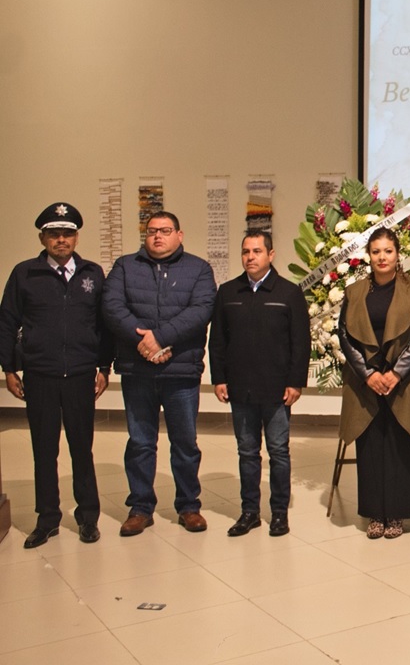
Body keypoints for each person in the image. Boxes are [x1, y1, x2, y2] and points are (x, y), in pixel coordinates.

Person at [0, 203, 113, 548]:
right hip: (41, 375)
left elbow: (105, 326)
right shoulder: (25, 273)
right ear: (43, 237)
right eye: (54, 234)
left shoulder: (92, 274)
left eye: (67, 233)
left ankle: (88, 517)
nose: (61, 240)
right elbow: (7, 322)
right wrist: (8, 368)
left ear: (76, 237)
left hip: (80, 375)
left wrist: (104, 368)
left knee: (82, 449)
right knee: (44, 450)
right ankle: (47, 518)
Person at [103, 211, 216, 536]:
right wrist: (144, 340)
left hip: (181, 371)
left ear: (179, 234)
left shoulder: (198, 269)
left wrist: (160, 338)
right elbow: (112, 306)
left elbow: (201, 310)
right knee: (140, 442)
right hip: (137, 370)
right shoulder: (125, 266)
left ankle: (189, 506)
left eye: (165, 231)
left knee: (184, 443)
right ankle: (140, 508)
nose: (157, 236)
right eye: (152, 231)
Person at [338, 227, 410, 539]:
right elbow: (344, 333)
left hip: (404, 380)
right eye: (376, 251)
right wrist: (368, 373)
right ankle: (375, 514)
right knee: (370, 446)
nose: (382, 257)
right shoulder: (355, 291)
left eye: (388, 251)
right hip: (365, 382)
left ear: (398, 254)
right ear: (368, 256)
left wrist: (396, 372)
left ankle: (397, 514)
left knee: (400, 446)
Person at [209, 231, 310, 538]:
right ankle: (249, 512)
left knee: (278, 452)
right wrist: (219, 378)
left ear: (271, 254)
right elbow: (217, 341)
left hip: (277, 391)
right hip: (240, 389)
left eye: (256, 251)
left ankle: (279, 513)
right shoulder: (228, 292)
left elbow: (300, 343)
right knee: (247, 452)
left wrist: (296, 383)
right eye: (245, 252)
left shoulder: (289, 293)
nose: (250, 257)